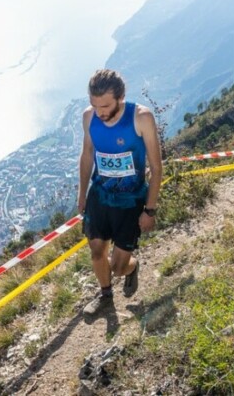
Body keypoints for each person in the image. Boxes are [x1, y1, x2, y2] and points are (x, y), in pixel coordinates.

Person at [78, 69, 162, 316]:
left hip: (130, 201)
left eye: (105, 106)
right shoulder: (89, 117)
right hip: (100, 194)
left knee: (117, 267)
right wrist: (82, 194)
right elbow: (87, 155)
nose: (100, 112)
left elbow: (156, 167)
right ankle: (105, 296)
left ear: (121, 97)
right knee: (96, 251)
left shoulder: (141, 117)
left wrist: (150, 210)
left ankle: (132, 267)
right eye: (94, 105)